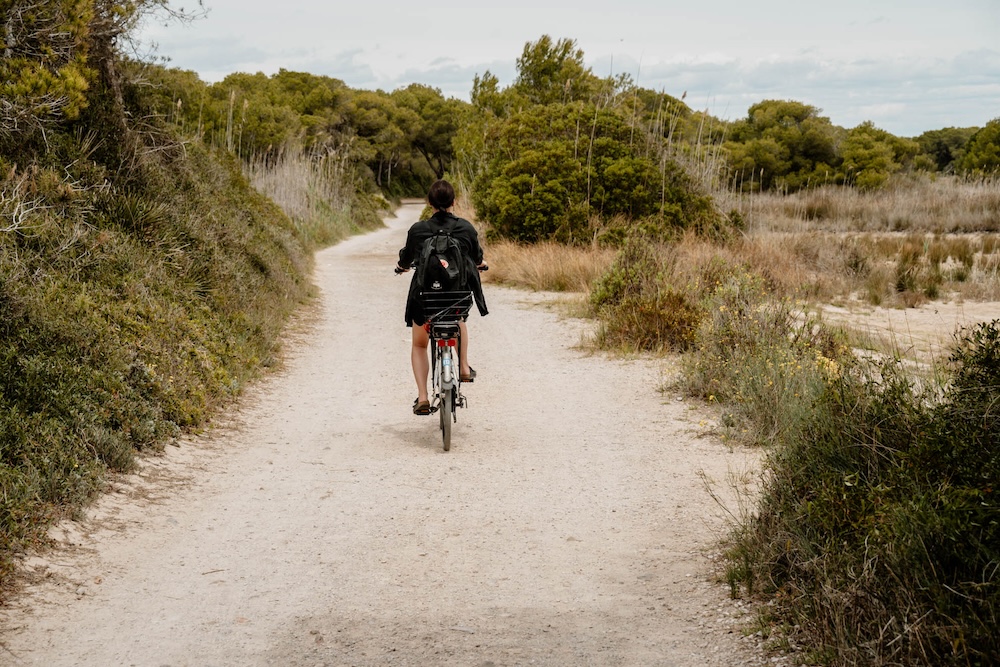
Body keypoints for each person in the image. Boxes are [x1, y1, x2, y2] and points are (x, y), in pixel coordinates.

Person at [397, 180, 488, 415]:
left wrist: (402, 266)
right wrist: (481, 264)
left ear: (430, 203)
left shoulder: (418, 230)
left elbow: (406, 259)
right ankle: (464, 367)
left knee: (419, 344)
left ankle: (423, 397)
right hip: (456, 298)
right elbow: (477, 256)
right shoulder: (465, 228)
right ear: (453, 202)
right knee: (459, 320)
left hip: (425, 300)